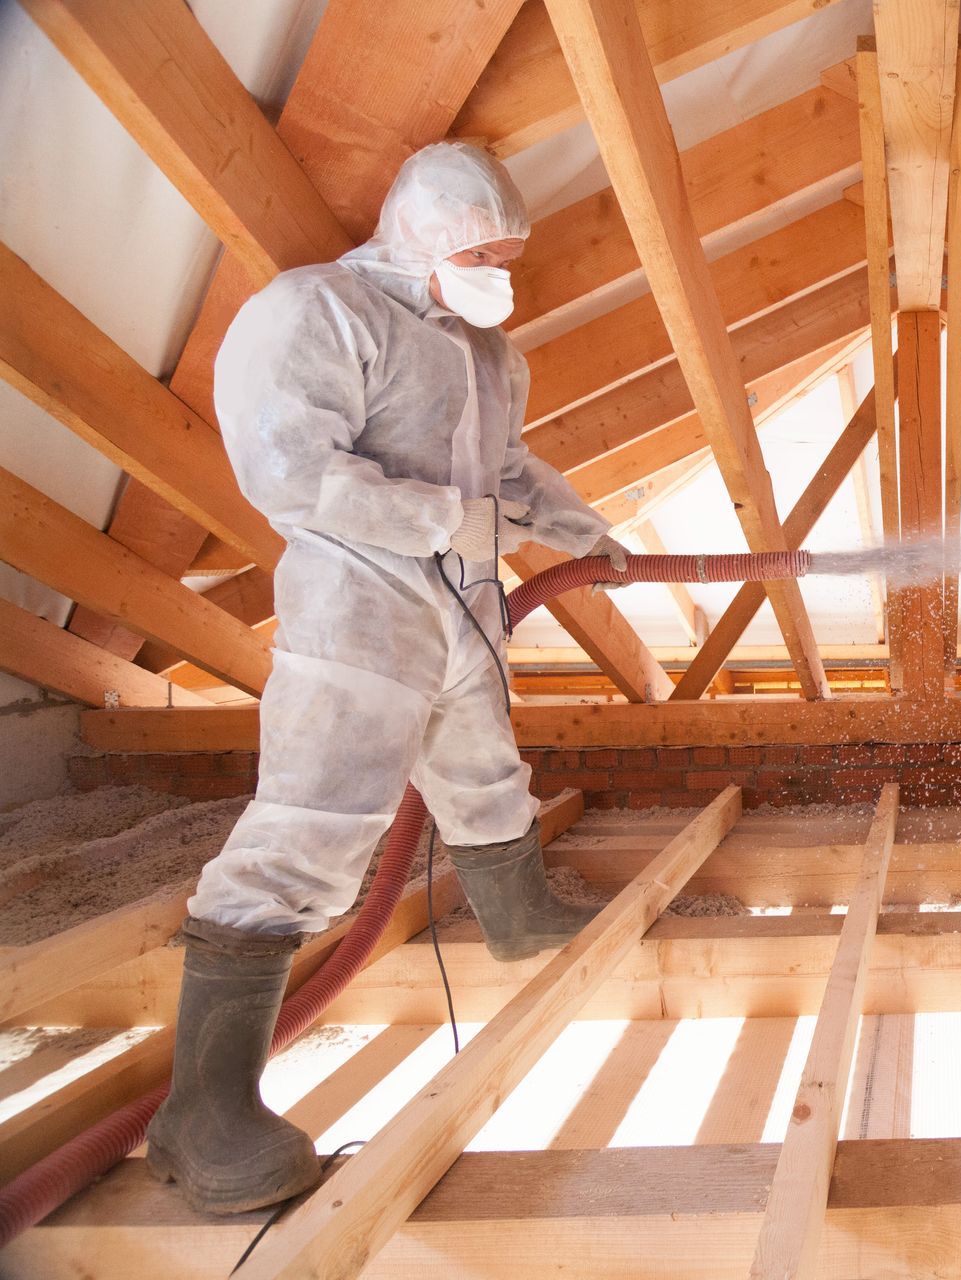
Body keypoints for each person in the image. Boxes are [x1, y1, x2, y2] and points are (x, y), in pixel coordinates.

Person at [145, 143, 634, 1214]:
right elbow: (287, 466)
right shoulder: (320, 312)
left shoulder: (491, 358)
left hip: (463, 600)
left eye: (509, 254)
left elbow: (504, 472)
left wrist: (577, 520)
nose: (500, 270)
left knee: (484, 772)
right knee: (315, 819)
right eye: (481, 249)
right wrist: (429, 518)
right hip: (357, 599)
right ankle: (205, 1109)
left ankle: (519, 915)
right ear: (423, 230)